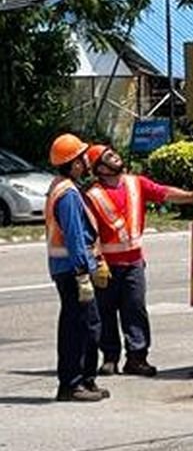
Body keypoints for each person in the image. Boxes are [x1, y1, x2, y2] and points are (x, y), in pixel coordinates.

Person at [83, 145, 193, 377]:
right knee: (105, 312)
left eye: (114, 153)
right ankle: (110, 358)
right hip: (106, 266)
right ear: (100, 168)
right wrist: (97, 261)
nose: (115, 157)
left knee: (135, 310)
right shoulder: (93, 195)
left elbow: (164, 193)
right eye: (108, 156)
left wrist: (192, 197)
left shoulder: (134, 183)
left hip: (134, 263)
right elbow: (90, 232)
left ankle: (137, 358)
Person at [45, 134, 108, 402]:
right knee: (83, 326)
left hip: (69, 268)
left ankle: (85, 379)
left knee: (84, 324)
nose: (86, 161)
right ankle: (72, 384)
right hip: (73, 270)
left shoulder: (61, 186)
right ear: (74, 163)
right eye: (82, 157)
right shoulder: (68, 193)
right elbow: (74, 236)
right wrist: (84, 271)